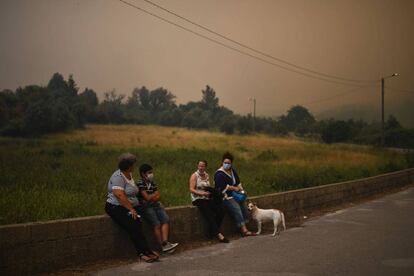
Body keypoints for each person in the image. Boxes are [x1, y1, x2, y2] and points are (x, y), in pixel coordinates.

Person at [105, 153, 159, 263]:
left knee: (140, 221)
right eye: (133, 164)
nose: (134, 166)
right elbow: (119, 195)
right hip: (116, 206)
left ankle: (147, 250)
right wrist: (131, 209)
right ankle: (142, 253)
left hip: (131, 205)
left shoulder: (129, 174)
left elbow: (133, 192)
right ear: (129, 165)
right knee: (134, 225)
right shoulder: (118, 177)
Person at [137, 164, 179, 253]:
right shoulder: (140, 183)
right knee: (156, 224)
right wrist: (152, 196)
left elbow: (157, 196)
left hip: (156, 204)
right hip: (146, 207)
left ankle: (165, 242)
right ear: (143, 174)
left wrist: (151, 197)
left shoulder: (152, 183)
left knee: (165, 220)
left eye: (151, 172)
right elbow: (146, 197)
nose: (151, 174)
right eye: (149, 173)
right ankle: (162, 247)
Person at [214, 152, 256, 236]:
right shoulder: (219, 174)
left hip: (235, 195)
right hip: (225, 197)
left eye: (228, 163)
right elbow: (220, 187)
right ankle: (243, 230)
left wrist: (242, 190)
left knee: (244, 207)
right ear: (222, 162)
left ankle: (245, 225)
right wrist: (233, 188)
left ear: (231, 163)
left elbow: (238, 182)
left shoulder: (232, 171)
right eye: (225, 163)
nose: (226, 164)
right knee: (236, 208)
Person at [189, 160, 229, 243]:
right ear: (197, 166)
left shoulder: (207, 175)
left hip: (206, 198)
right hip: (197, 199)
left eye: (202, 166)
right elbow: (191, 189)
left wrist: (210, 193)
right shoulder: (194, 175)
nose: (200, 168)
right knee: (209, 213)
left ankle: (212, 231)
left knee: (221, 210)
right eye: (199, 166)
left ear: (205, 167)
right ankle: (219, 235)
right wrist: (201, 193)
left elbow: (208, 187)